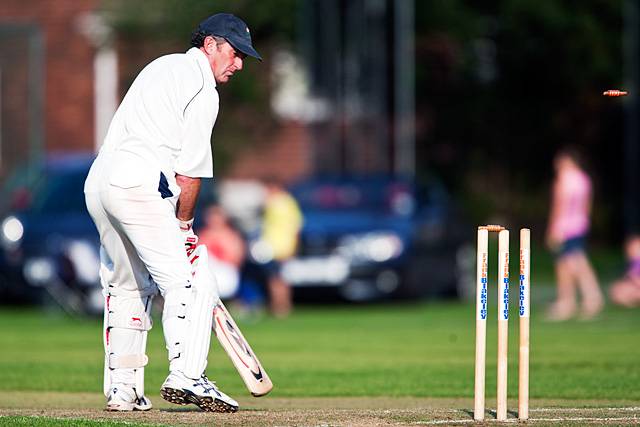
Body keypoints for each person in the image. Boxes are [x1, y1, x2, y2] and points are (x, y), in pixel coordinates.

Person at [83, 13, 261, 412]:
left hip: (99, 181)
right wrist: (185, 226)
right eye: (234, 54)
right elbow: (190, 172)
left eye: (244, 58)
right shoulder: (203, 86)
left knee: (126, 288)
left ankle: (122, 390)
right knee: (190, 280)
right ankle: (187, 375)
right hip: (138, 182)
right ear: (210, 45)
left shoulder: (161, 65)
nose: (238, 64)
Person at [545, 147, 604, 321]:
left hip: (564, 227)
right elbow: (587, 205)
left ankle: (575, 301)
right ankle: (576, 301)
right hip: (580, 225)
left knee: (569, 265)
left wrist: (553, 229)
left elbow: (559, 205)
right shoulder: (583, 179)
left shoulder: (564, 179)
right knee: (573, 263)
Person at [259, 179, 303, 318]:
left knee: (275, 278)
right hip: (282, 245)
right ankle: (282, 305)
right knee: (280, 278)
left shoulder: (276, 203)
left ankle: (279, 306)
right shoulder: (289, 202)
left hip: (276, 246)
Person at [197, 204, 246, 299]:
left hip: (225, 272)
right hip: (205, 272)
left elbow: (237, 259)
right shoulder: (202, 234)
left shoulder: (231, 236)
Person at [609, 235, 640, 307]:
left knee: (619, 290)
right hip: (634, 286)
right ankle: (629, 301)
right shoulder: (633, 263)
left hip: (636, 286)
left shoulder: (637, 263)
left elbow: (634, 278)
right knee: (617, 289)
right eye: (629, 248)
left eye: (635, 248)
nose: (631, 251)